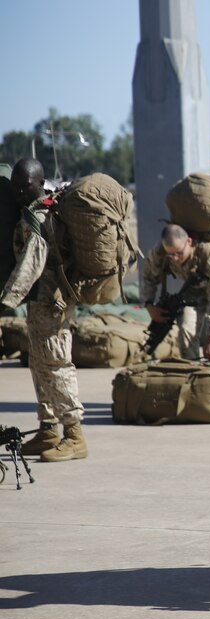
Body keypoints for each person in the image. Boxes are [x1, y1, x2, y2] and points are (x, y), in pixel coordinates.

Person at [0, 158, 86, 462]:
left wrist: (6, 301)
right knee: (39, 364)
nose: (20, 192)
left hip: (53, 303)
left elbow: (30, 265)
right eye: (16, 187)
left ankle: (74, 435)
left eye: (25, 186)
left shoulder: (39, 216)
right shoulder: (30, 212)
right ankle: (49, 428)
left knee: (57, 364)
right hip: (39, 304)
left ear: (40, 182)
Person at [140, 223, 210, 360]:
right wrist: (149, 305)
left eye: (179, 253)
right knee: (185, 326)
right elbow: (148, 276)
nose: (175, 259)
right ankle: (192, 373)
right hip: (197, 293)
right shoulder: (160, 252)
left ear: (189, 242)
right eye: (171, 255)